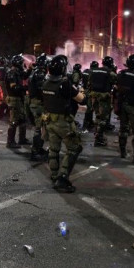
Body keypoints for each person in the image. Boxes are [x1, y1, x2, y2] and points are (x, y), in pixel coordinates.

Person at [42, 55, 85, 192]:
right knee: (74, 148)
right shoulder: (64, 83)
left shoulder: (46, 82)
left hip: (49, 121)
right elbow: (81, 99)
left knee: (54, 149)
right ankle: (62, 178)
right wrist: (82, 92)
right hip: (63, 122)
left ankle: (54, 175)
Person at [89, 56, 117, 147]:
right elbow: (116, 83)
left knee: (97, 116)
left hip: (94, 96)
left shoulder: (93, 71)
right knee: (103, 118)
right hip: (104, 97)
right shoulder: (110, 73)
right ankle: (99, 138)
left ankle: (97, 133)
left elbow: (89, 83)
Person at [5, 54, 30, 148]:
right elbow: (14, 87)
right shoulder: (11, 73)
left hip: (19, 98)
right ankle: (10, 142)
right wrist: (25, 88)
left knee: (22, 119)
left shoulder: (17, 72)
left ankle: (22, 139)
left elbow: (24, 76)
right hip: (14, 98)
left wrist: (30, 69)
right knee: (14, 120)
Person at [27, 54, 49, 160]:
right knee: (39, 128)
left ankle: (39, 149)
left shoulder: (34, 72)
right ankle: (35, 152)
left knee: (40, 127)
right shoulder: (40, 74)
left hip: (35, 102)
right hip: (38, 103)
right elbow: (42, 90)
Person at [81, 60, 99, 131]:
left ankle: (89, 122)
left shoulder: (85, 71)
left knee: (90, 108)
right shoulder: (94, 73)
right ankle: (86, 124)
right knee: (90, 108)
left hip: (85, 91)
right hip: (91, 92)